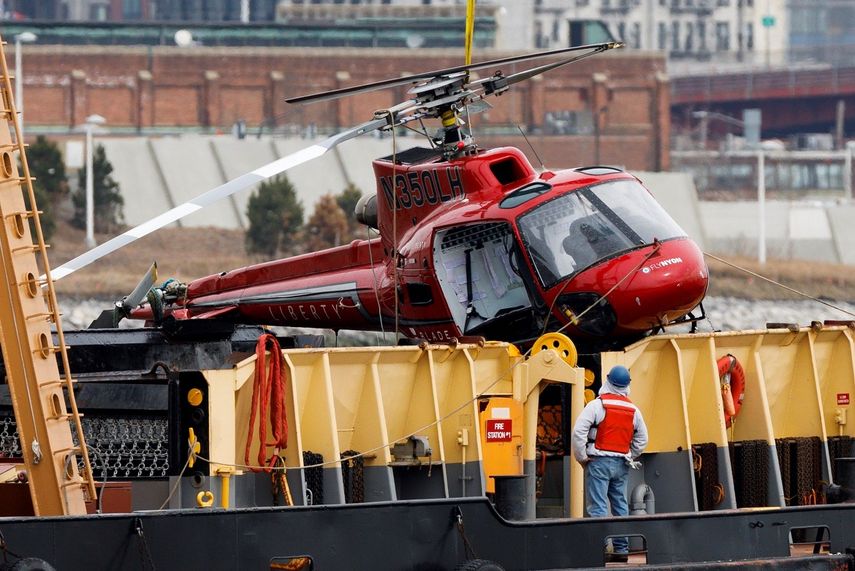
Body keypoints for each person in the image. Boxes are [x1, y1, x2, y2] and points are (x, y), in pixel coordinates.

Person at [572, 365, 648, 563]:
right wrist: (631, 453)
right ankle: (622, 550)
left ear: (607, 380)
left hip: (598, 462)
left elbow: (579, 432)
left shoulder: (597, 406)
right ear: (627, 385)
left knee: (597, 506)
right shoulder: (634, 410)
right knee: (620, 504)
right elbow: (643, 439)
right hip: (621, 463)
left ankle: (600, 549)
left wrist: (581, 457)